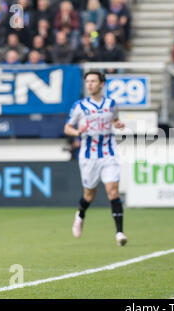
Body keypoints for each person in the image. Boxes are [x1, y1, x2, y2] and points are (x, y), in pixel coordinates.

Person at [64, 70, 128, 246]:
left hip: (109, 152)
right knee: (89, 194)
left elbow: (114, 119)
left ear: (102, 84)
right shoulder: (80, 106)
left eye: (93, 81)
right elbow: (67, 127)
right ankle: (80, 214)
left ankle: (119, 233)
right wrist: (77, 132)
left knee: (113, 191)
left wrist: (118, 124)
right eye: (88, 81)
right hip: (89, 155)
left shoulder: (111, 104)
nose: (90, 84)